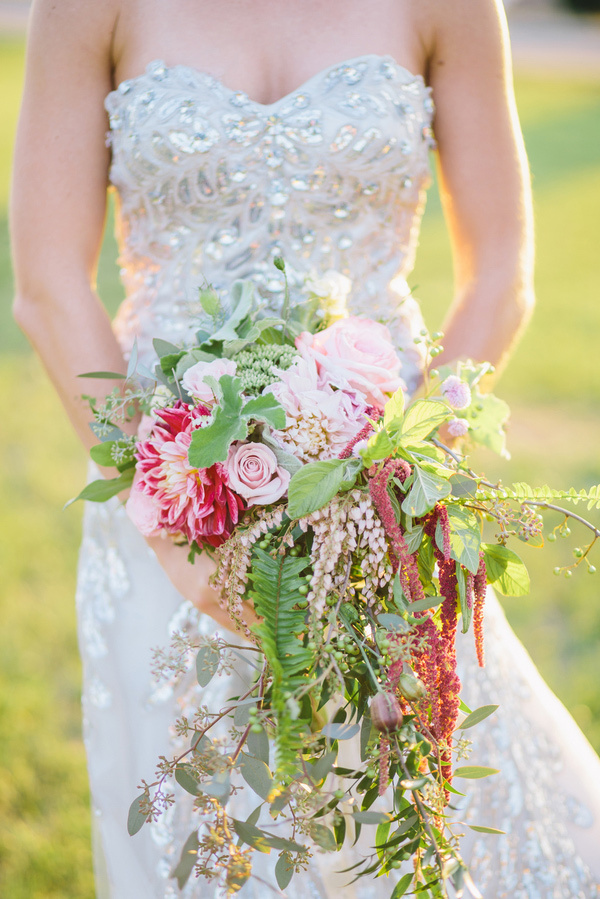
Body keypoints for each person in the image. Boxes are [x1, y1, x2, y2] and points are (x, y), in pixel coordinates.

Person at [10, 0, 600, 896]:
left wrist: (401, 477)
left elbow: (503, 267)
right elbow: (50, 282)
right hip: (156, 489)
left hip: (382, 511)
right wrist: (176, 521)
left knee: (409, 824)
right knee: (201, 839)